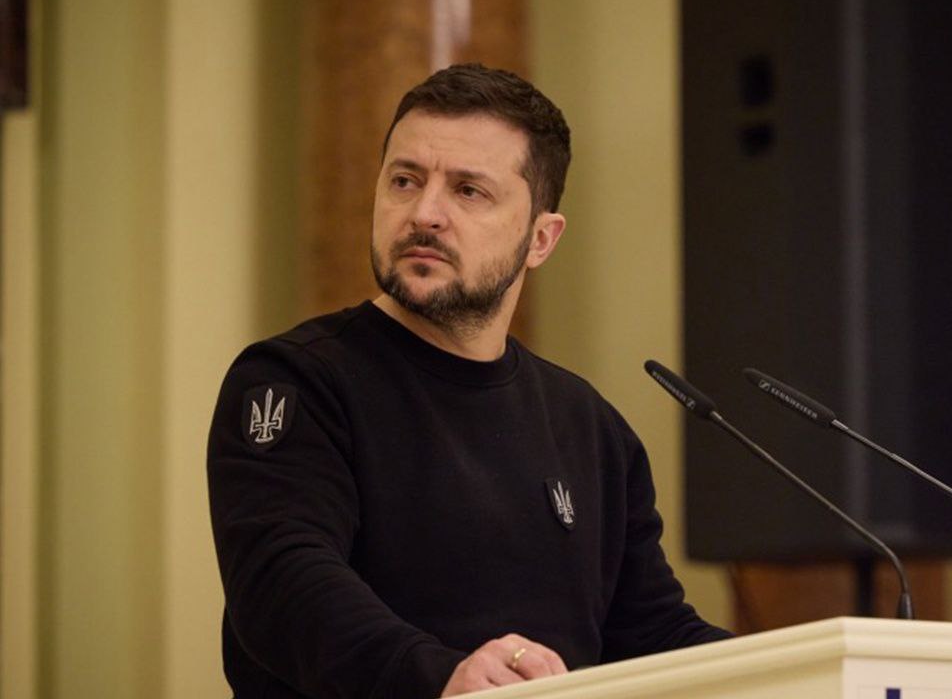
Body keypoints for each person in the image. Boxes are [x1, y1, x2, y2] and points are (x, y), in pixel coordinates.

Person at [207, 63, 730, 698]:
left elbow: (651, 631)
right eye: (404, 181)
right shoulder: (294, 381)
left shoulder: (589, 426)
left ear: (541, 239)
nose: (425, 213)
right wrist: (441, 678)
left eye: (468, 191)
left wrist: (807, 668)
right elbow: (283, 585)